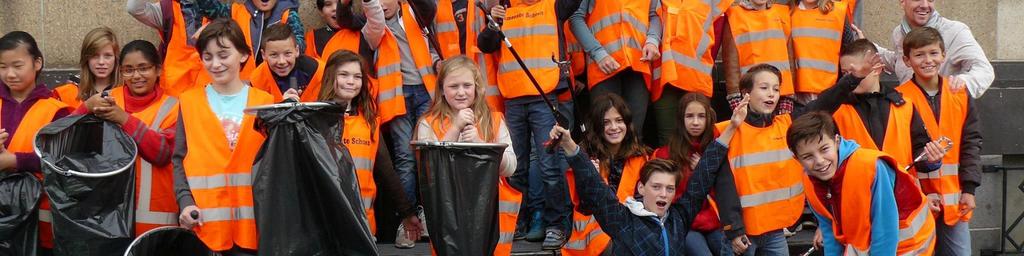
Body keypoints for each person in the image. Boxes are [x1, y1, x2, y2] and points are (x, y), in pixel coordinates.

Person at [548, 89, 743, 255]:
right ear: (642, 187)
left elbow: (702, 177)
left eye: (669, 189)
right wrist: (569, 145)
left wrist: (732, 127)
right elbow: (597, 192)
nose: (663, 194)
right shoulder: (623, 222)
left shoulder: (678, 218)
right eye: (656, 186)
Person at [714, 60, 877, 255]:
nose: (771, 94)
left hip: (777, 232)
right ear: (745, 93)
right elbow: (724, 186)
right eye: (764, 87)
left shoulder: (787, 124)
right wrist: (734, 229)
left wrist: (852, 79)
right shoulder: (727, 131)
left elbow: (822, 104)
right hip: (743, 234)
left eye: (776, 89)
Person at [284, 49, 424, 239]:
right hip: (323, 226)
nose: (351, 81)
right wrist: (287, 112)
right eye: (344, 75)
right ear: (330, 77)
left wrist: (407, 213)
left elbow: (386, 171)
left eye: (357, 76)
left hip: (363, 225)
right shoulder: (311, 119)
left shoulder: (370, 122)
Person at [476, 0, 580, 247]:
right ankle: (516, 222)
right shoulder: (504, 9)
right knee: (516, 167)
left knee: (550, 166)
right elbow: (485, 45)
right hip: (513, 100)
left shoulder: (555, 5)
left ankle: (556, 225)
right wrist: (493, 23)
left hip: (544, 96)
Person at [172, 19, 274, 255]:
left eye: (223, 54)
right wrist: (185, 203)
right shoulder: (188, 102)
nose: (215, 64)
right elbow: (179, 159)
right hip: (206, 228)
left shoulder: (265, 103)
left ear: (242, 55)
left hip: (254, 231)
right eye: (208, 57)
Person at [787, 112, 936, 255]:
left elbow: (885, 230)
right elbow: (830, 233)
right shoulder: (809, 181)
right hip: (865, 244)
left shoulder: (870, 167)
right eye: (808, 156)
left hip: (908, 245)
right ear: (797, 159)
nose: (819, 161)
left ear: (837, 141)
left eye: (824, 149)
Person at [413, 56, 520, 255]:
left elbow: (511, 167)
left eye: (467, 85)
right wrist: (455, 128)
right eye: (453, 86)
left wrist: (482, 145)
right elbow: (430, 171)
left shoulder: (494, 120)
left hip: (488, 215)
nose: (461, 92)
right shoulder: (428, 123)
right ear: (442, 90)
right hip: (449, 213)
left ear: (477, 88)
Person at [74, 40, 181, 236]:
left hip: (155, 222)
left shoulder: (174, 107)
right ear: (121, 72)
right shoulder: (105, 100)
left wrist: (123, 119)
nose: (136, 76)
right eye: (128, 70)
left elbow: (162, 153)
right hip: (107, 220)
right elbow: (64, 140)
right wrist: (85, 107)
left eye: (144, 68)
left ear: (158, 70)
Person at [894, 27, 982, 255]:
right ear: (907, 60)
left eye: (933, 53)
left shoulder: (960, 93)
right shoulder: (898, 99)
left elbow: (971, 144)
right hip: (916, 202)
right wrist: (916, 194)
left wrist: (970, 189)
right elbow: (898, 152)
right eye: (919, 54)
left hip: (955, 200)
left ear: (944, 55)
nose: (928, 60)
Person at [0, 31, 73, 253]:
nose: (10, 74)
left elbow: (63, 162)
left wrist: (13, 160)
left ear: (37, 63)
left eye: (17, 65)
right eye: (2, 66)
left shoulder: (56, 111)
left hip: (38, 220)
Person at [832, 38, 945, 180]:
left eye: (856, 72)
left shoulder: (904, 105)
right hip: (858, 195)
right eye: (845, 73)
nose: (849, 79)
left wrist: (931, 160)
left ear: (877, 69)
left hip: (902, 196)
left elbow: (919, 151)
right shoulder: (836, 110)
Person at [561, 93, 651, 255]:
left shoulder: (642, 158)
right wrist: (590, 180)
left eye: (619, 120)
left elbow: (644, 204)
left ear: (627, 123)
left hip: (629, 229)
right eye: (606, 123)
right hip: (593, 235)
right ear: (597, 126)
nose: (614, 127)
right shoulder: (585, 159)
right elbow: (582, 207)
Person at [652, 93, 730, 256]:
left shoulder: (717, 149)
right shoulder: (666, 154)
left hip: (714, 221)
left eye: (701, 116)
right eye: (689, 116)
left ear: (708, 118)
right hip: (684, 223)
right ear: (681, 119)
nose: (696, 122)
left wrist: (705, 169)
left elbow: (726, 191)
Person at [568, 0, 662, 134]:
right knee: (604, 135)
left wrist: (653, 41)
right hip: (603, 68)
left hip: (638, 65)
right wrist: (598, 54)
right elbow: (575, 17)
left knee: (634, 135)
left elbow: (655, 15)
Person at [650, 0, 731, 147]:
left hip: (696, 79)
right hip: (665, 79)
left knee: (700, 140)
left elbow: (718, 33)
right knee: (668, 142)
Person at [877, 0, 994, 99]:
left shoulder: (955, 31)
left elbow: (984, 70)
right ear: (902, 2)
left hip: (945, 116)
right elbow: (899, 62)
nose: (924, 5)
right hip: (908, 114)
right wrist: (867, 47)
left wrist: (963, 82)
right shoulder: (898, 33)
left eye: (930, 0)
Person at [194, 0, 306, 79]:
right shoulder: (236, 12)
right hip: (243, 85)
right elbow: (207, 6)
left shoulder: (289, 16)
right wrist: (211, 28)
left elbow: (299, 45)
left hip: (276, 87)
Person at [722, 0, 795, 114]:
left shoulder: (782, 12)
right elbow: (731, 61)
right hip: (751, 95)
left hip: (780, 95)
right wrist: (735, 96)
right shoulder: (735, 15)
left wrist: (789, 96)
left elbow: (790, 59)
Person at [789, 0, 859, 105]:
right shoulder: (787, 13)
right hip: (796, 99)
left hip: (832, 96)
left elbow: (850, 52)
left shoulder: (838, 11)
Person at [249, 23, 325, 102]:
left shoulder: (319, 72)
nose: (281, 61)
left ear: (297, 50)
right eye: (274, 55)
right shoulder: (258, 79)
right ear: (263, 55)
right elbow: (256, 112)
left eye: (287, 53)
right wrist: (281, 104)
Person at [53, 27, 120, 108]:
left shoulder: (128, 90)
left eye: (107, 56)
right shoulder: (67, 92)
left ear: (116, 58)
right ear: (86, 58)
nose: (101, 62)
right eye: (95, 56)